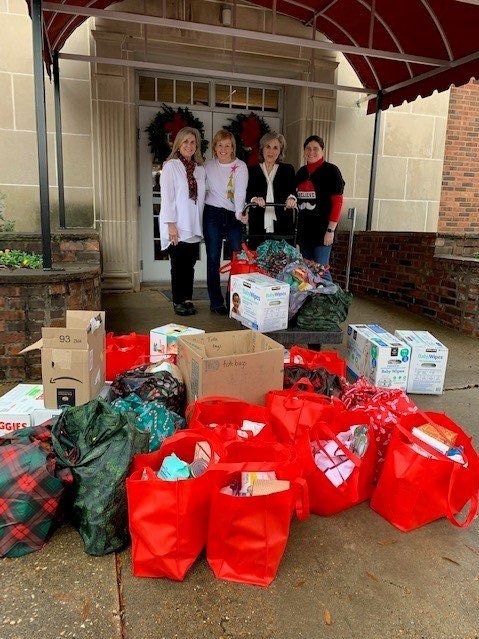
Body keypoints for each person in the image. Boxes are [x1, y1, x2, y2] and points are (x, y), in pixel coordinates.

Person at [159, 127, 205, 316]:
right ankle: (178, 300)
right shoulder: (171, 166)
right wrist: (171, 224)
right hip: (177, 224)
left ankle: (187, 299)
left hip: (194, 224)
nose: (189, 145)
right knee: (178, 265)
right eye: (185, 141)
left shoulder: (200, 169)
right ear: (178, 143)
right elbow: (167, 197)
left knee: (190, 265)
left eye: (193, 142)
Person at [204, 129, 249, 315]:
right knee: (213, 258)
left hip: (233, 216)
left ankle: (234, 301)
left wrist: (240, 213)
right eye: (220, 145)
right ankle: (216, 302)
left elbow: (240, 192)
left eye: (228, 145)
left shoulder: (241, 166)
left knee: (237, 258)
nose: (224, 148)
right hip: (212, 213)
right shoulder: (206, 166)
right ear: (215, 147)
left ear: (233, 148)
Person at [295, 135, 345, 282]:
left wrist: (331, 230)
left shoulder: (332, 171)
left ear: (322, 150)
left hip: (323, 232)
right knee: (308, 272)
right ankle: (314, 303)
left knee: (321, 271)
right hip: (305, 233)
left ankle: (332, 302)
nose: (311, 152)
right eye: (308, 149)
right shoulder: (301, 172)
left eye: (315, 149)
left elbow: (338, 203)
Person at [246, 132, 297, 248]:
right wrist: (255, 199)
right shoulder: (252, 170)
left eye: (275, 148)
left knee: (282, 263)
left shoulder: (288, 170)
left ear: (280, 151)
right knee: (257, 263)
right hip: (258, 227)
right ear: (262, 149)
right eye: (267, 147)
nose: (271, 151)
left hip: (282, 227)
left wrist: (291, 198)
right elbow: (248, 192)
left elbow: (292, 192)